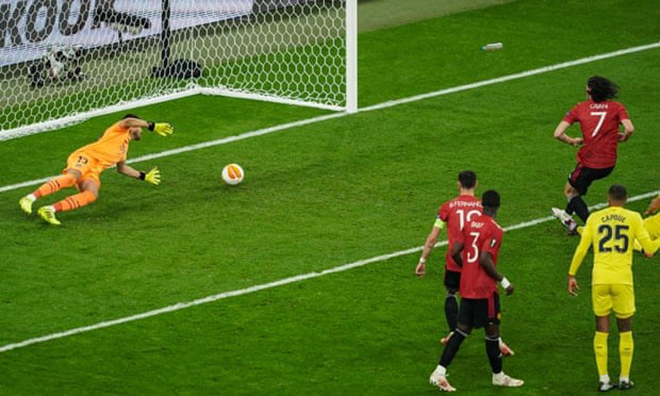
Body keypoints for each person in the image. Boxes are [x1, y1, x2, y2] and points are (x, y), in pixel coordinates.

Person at [428, 190, 523, 392]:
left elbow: (454, 252)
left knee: (461, 331)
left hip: (467, 286)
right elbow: (485, 259)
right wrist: (504, 281)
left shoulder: (469, 224)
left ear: (482, 206)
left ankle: (439, 372)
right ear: (497, 207)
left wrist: (467, 270)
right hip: (485, 290)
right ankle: (498, 376)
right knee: (492, 331)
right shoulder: (495, 230)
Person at [567, 185, 659, 391]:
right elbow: (650, 251)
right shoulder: (634, 218)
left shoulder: (595, 218)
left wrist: (572, 274)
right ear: (625, 200)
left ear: (608, 200)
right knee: (625, 329)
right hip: (622, 281)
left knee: (601, 328)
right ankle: (625, 378)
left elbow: (582, 248)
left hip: (599, 280)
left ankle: (604, 379)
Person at [415, 171, 513, 355]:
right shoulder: (482, 206)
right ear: (476, 184)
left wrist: (422, 260)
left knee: (451, 293)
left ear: (458, 184)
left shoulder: (447, 207)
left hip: (455, 260)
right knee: (484, 301)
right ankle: (497, 340)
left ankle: (455, 332)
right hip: (475, 264)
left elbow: (433, 237)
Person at [19, 115, 173, 225]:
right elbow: (127, 120)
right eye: (140, 127)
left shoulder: (124, 148)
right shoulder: (119, 130)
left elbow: (122, 168)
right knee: (71, 177)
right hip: (85, 157)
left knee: (92, 194)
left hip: (94, 170)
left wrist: (143, 176)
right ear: (134, 126)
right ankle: (30, 198)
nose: (142, 131)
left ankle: (50, 209)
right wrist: (152, 125)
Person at [551, 76, 634, 234]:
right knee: (580, 187)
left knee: (570, 192)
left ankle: (596, 231)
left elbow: (558, 133)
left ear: (589, 91)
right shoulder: (616, 107)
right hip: (608, 164)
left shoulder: (580, 108)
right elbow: (629, 128)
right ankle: (567, 216)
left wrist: (572, 141)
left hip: (588, 163)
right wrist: (624, 137)